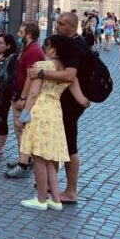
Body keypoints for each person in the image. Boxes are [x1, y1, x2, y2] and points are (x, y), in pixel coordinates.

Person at [19, 35, 90, 210]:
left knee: (38, 156)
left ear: (53, 49)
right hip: (55, 112)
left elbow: (34, 93)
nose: (45, 48)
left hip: (40, 111)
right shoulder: (67, 73)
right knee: (49, 157)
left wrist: (24, 114)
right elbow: (82, 100)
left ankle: (41, 199)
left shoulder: (41, 67)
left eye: (47, 45)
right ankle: (56, 199)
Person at [6, 23, 45, 179]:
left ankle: (24, 164)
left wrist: (23, 97)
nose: (18, 34)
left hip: (23, 96)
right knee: (19, 130)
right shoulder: (28, 48)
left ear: (28, 34)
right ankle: (24, 158)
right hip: (18, 93)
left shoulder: (34, 51)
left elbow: (30, 76)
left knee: (22, 130)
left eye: (21, 32)